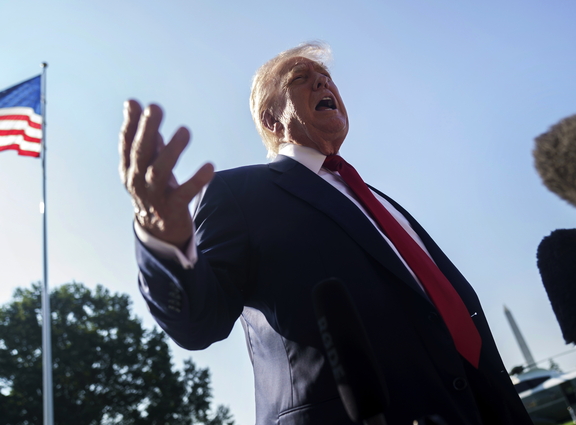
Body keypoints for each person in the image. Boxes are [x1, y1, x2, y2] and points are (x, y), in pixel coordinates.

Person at [119, 42, 533, 425]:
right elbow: (198, 322)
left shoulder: (380, 201)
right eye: (301, 78)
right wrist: (164, 243)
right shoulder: (239, 192)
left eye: (326, 76)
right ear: (271, 119)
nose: (322, 82)